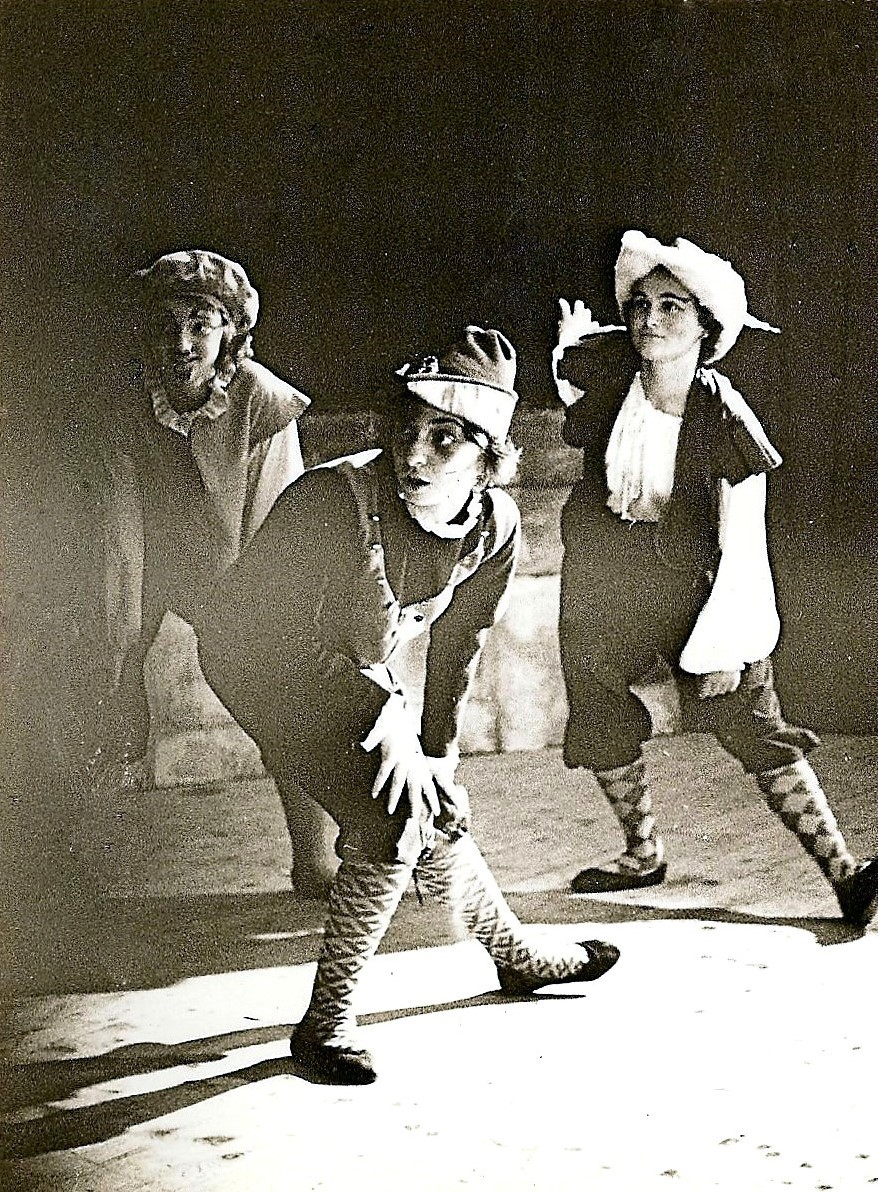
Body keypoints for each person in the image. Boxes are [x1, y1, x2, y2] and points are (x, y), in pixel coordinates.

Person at [196, 326, 621, 1084]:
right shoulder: (331, 501)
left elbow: (460, 642)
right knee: (391, 816)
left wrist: (434, 748)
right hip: (257, 659)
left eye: (445, 439)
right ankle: (325, 1025)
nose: (414, 454)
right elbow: (274, 637)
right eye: (410, 429)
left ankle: (516, 955)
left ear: (489, 457)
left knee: (427, 792)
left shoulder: (494, 527)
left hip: (346, 668)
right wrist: (384, 715)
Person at [552, 229, 878, 927]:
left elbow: (742, 545)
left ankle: (845, 875)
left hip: (696, 585)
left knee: (750, 718)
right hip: (606, 579)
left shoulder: (724, 417)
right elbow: (575, 385)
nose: (650, 320)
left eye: (671, 307)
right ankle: (641, 853)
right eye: (640, 306)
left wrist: (726, 648)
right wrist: (568, 347)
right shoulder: (614, 385)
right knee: (597, 707)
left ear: (705, 327)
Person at [90, 248, 338, 895]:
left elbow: (277, 529)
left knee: (282, 702)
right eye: (166, 326)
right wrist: (121, 654)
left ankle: (316, 856)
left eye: (200, 325)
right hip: (155, 568)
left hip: (242, 573)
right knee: (96, 686)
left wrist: (258, 631)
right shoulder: (128, 408)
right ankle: (71, 863)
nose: (181, 344)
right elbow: (122, 539)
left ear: (229, 332)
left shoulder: (259, 400)